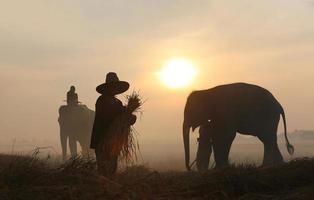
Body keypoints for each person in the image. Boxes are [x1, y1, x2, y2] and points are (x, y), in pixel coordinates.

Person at [90, 72, 136, 176]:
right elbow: (107, 116)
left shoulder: (118, 102)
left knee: (112, 166)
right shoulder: (102, 100)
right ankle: (103, 187)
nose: (114, 89)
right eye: (112, 86)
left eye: (116, 87)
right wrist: (122, 115)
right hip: (102, 139)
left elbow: (123, 117)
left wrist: (129, 117)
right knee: (103, 167)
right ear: (108, 87)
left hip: (115, 141)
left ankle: (110, 185)